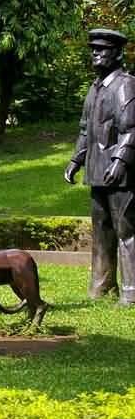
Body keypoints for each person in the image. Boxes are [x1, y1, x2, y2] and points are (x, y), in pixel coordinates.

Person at [65, 29, 135, 305]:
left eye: (102, 49)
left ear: (117, 54)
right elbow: (85, 131)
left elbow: (131, 129)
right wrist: (75, 161)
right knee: (101, 230)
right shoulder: (94, 89)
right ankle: (102, 285)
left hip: (123, 175)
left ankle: (131, 292)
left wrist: (120, 161)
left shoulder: (125, 85)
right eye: (93, 49)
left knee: (127, 231)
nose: (95, 53)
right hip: (97, 172)